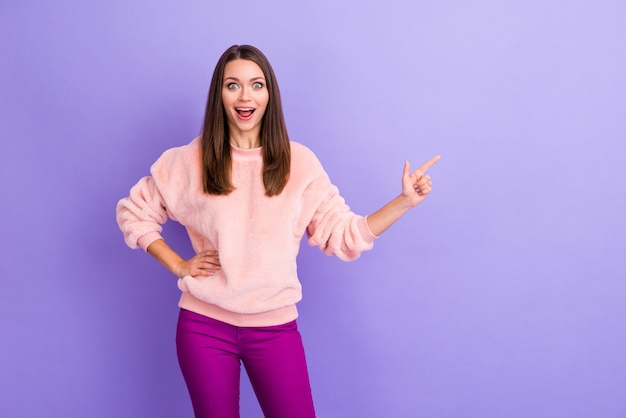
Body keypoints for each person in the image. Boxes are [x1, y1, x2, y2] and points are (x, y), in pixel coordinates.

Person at [116, 44, 440, 418]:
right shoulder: (189, 160)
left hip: (274, 329)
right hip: (203, 328)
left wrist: (403, 202)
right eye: (232, 85)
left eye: (256, 84)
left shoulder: (299, 163)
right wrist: (178, 265)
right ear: (219, 94)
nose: (245, 95)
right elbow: (134, 212)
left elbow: (345, 234)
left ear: (269, 94)